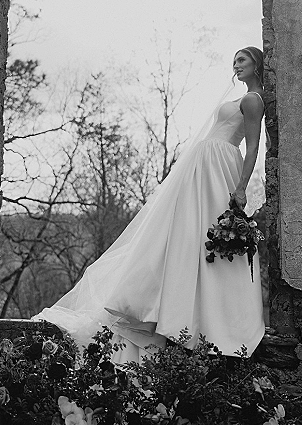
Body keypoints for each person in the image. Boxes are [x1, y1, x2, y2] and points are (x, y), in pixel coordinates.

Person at [33, 47, 266, 362]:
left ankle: (208, 318)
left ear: (256, 64)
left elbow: (253, 145)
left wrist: (241, 187)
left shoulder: (252, 100)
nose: (235, 65)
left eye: (242, 60)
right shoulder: (242, 98)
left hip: (219, 167)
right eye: (234, 60)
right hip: (205, 167)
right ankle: (174, 310)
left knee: (207, 235)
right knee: (187, 236)